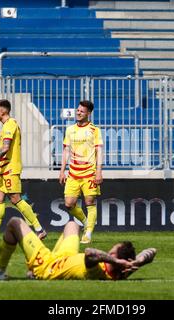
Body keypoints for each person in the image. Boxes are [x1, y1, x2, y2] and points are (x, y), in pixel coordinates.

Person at [0, 219, 157, 281]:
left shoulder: (97, 270)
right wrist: (138, 262)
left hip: (48, 266)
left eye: (112, 251)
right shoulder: (122, 272)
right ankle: (29, 267)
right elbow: (152, 251)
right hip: (66, 256)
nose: (109, 251)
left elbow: (89, 253)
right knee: (72, 225)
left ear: (113, 256)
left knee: (14, 223)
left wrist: (117, 261)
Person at [0, 99, 47, 242]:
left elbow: (5, 148)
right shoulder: (6, 126)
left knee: (15, 199)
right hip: (3, 168)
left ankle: (40, 229)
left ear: (3, 111)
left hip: (10, 168)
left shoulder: (10, 125)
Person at [59, 100, 103, 244]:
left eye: (82, 111)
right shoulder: (70, 129)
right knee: (68, 204)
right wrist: (62, 171)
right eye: (78, 110)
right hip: (73, 173)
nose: (78, 113)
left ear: (88, 113)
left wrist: (99, 171)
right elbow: (65, 150)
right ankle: (85, 222)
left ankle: (88, 233)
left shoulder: (94, 130)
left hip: (89, 172)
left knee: (90, 202)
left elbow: (99, 151)